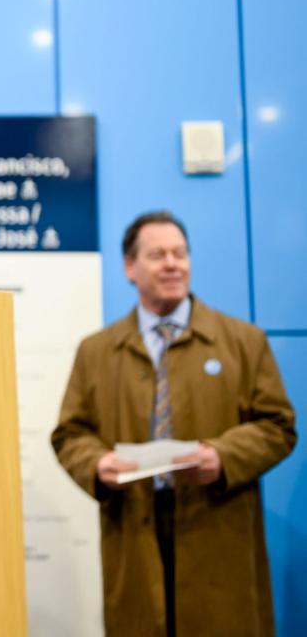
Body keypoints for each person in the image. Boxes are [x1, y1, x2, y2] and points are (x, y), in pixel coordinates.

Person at [51, 211, 296, 637]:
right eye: (158, 254)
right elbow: (70, 434)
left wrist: (223, 456)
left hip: (217, 527)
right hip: (134, 530)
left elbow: (278, 425)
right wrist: (96, 464)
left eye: (180, 253)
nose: (172, 264)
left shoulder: (243, 341)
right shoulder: (96, 352)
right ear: (130, 267)